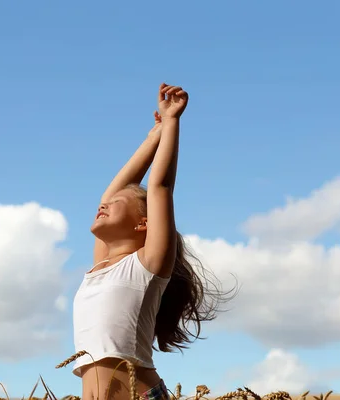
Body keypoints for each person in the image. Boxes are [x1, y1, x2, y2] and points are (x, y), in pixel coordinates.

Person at [72, 83, 230, 400]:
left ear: (145, 223)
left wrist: (171, 121)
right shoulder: (101, 266)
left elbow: (159, 187)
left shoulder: (146, 266)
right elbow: (113, 192)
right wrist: (151, 138)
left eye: (117, 205)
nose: (103, 205)